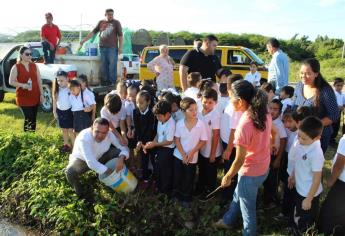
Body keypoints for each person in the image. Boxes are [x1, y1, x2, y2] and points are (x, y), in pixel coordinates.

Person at [214, 80, 272, 236]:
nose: (229, 101)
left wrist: (227, 176)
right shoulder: (264, 112)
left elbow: (239, 160)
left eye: (231, 97)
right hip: (263, 167)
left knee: (248, 211)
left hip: (250, 173)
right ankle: (228, 220)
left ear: (240, 101)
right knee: (238, 194)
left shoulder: (244, 125)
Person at [65, 118, 129, 202]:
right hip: (82, 161)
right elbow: (91, 162)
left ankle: (121, 174)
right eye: (97, 131)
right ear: (92, 128)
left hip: (100, 157)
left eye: (104, 133)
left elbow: (123, 147)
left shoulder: (110, 134)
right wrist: (110, 172)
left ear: (108, 131)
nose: (100, 135)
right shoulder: (84, 138)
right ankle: (81, 195)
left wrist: (121, 158)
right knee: (70, 172)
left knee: (118, 152)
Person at [287, 116, 324, 235]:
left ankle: (303, 232)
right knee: (297, 211)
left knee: (306, 219)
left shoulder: (316, 154)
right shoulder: (301, 142)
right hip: (299, 187)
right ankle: (295, 228)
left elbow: (317, 179)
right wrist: (292, 175)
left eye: (303, 138)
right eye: (299, 135)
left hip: (309, 193)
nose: (300, 140)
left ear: (317, 138)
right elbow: (297, 161)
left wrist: (309, 199)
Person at [293, 58, 339, 152]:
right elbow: (294, 106)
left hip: (318, 137)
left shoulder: (325, 91)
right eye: (301, 73)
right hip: (299, 133)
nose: (303, 76)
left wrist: (311, 127)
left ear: (316, 74)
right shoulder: (299, 86)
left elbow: (334, 115)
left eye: (308, 73)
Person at [173, 97, 207, 207]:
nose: (194, 112)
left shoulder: (200, 124)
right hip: (179, 156)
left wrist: (192, 152)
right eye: (191, 110)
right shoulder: (179, 123)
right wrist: (183, 154)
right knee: (178, 176)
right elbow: (177, 140)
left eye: (195, 109)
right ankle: (177, 196)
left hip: (192, 157)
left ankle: (186, 198)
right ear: (183, 111)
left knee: (189, 178)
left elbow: (203, 140)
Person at [80, 9, 123, 86]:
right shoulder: (101, 22)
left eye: (112, 14)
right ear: (105, 14)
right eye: (109, 14)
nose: (110, 16)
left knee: (112, 65)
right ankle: (105, 81)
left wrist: (120, 48)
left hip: (112, 48)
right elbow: (93, 32)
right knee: (104, 65)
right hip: (102, 47)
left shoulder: (116, 23)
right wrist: (84, 40)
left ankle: (112, 82)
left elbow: (120, 36)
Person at [9, 46, 44, 132]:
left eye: (30, 54)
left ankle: (32, 138)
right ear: (21, 55)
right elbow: (11, 81)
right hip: (23, 97)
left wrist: (42, 94)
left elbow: (39, 80)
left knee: (33, 119)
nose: (29, 56)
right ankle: (27, 138)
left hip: (35, 96)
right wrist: (22, 85)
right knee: (28, 118)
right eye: (27, 54)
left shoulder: (34, 65)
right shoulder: (16, 67)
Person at [145, 100, 176, 195]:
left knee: (166, 171)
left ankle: (166, 191)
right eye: (156, 116)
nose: (157, 118)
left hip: (168, 150)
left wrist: (155, 144)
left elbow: (169, 141)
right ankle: (159, 186)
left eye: (159, 116)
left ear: (167, 114)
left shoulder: (171, 124)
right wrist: (153, 142)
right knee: (158, 168)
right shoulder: (161, 120)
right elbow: (158, 134)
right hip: (160, 147)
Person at [220, 74, 243, 202]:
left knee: (230, 171)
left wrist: (228, 149)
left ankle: (228, 197)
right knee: (228, 169)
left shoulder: (236, 106)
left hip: (232, 146)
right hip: (227, 142)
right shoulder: (233, 101)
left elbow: (234, 130)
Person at [196, 88, 222, 199]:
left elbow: (216, 136)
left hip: (212, 150)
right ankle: (200, 187)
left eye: (210, 102)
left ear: (215, 103)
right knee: (202, 169)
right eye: (205, 102)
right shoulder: (198, 112)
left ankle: (210, 191)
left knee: (210, 172)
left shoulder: (215, 115)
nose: (206, 104)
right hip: (202, 148)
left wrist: (212, 154)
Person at [318, 133, 345, 236]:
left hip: (342, 182)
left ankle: (325, 231)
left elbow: (339, 164)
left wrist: (331, 180)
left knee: (331, 209)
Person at [263, 99, 287, 208]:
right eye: (270, 108)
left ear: (280, 111)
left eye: (275, 109)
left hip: (274, 156)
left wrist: (278, 159)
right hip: (265, 154)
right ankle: (266, 196)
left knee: (272, 179)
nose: (272, 111)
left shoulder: (279, 124)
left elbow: (283, 141)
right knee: (266, 177)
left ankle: (271, 200)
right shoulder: (266, 120)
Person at [133, 90, 158, 188]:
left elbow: (150, 129)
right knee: (144, 160)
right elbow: (137, 128)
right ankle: (145, 178)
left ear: (148, 102)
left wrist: (146, 143)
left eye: (141, 102)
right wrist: (139, 141)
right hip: (142, 141)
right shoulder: (135, 112)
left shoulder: (152, 113)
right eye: (137, 102)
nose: (139, 105)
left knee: (153, 159)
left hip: (151, 140)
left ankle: (156, 178)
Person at [52, 70, 75, 152]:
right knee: (64, 130)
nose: (59, 82)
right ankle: (66, 145)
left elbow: (73, 100)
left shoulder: (70, 89)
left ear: (67, 79)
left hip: (69, 112)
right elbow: (54, 101)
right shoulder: (57, 90)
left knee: (70, 130)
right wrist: (54, 112)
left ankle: (75, 147)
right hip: (60, 112)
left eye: (62, 80)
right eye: (58, 80)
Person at [330, 77, 345, 146]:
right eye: (338, 85)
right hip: (333, 112)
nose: (340, 87)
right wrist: (339, 107)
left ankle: (333, 139)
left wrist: (343, 107)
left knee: (337, 126)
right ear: (334, 85)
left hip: (339, 113)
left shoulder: (343, 94)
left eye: (341, 85)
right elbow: (332, 104)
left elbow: (343, 103)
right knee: (333, 126)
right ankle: (330, 140)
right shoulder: (333, 94)